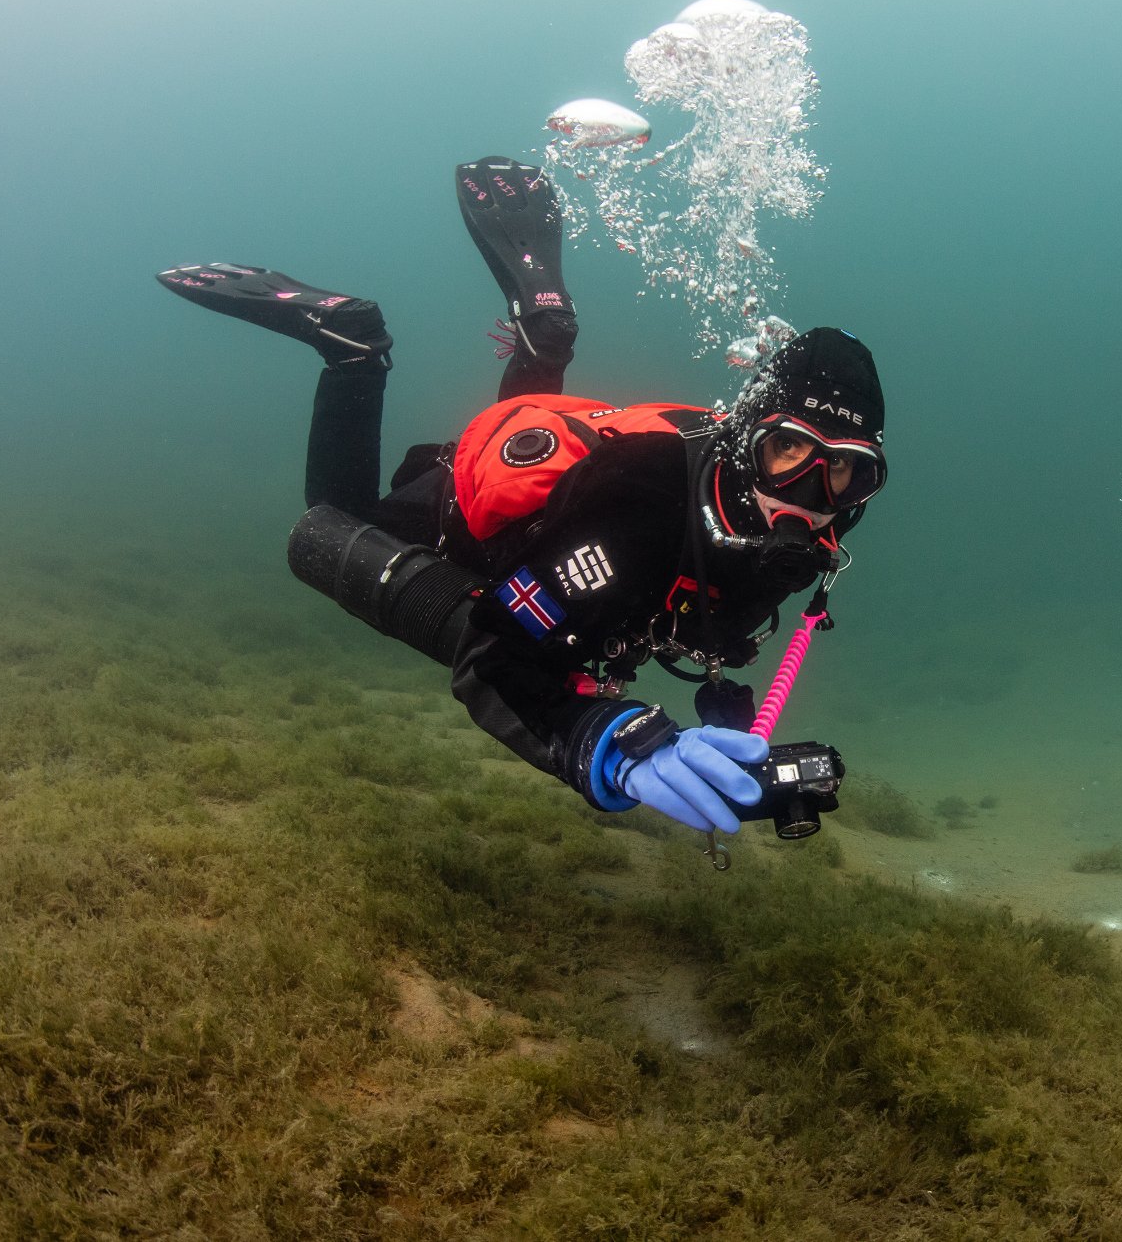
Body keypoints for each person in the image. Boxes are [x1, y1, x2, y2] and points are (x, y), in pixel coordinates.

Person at [157, 157, 886, 837]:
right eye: (786, 453)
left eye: (847, 470)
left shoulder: (793, 536)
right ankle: (354, 349)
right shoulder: (635, 514)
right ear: (742, 440)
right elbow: (495, 655)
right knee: (328, 519)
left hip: (571, 482)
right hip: (473, 515)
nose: (811, 494)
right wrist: (612, 740)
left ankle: (546, 337)